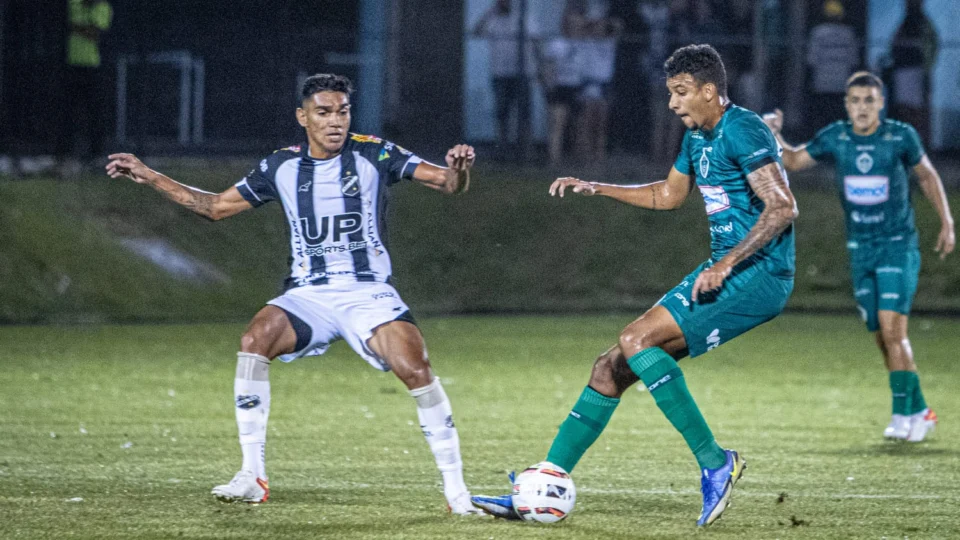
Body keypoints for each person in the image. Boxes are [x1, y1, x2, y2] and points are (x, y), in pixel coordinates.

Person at [105, 74, 483, 514]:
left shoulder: (375, 152)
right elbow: (215, 208)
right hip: (309, 295)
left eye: (342, 111)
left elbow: (447, 184)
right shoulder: (279, 166)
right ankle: (252, 474)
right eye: (324, 112)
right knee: (254, 340)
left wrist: (458, 168)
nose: (336, 121)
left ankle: (457, 492)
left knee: (415, 368)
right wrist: (149, 176)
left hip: (367, 292)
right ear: (303, 117)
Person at [473, 44, 798, 527]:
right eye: (670, 93)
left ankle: (716, 463)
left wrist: (727, 264)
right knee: (610, 367)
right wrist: (599, 186)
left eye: (681, 93)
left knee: (636, 339)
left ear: (710, 91)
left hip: (759, 275)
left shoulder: (743, 129)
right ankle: (542, 485)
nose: (673, 104)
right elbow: (669, 195)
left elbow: (783, 207)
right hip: (725, 269)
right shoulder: (696, 139)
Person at [763, 71, 954, 442]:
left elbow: (927, 176)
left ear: (881, 103)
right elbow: (794, 160)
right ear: (847, 104)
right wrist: (773, 133)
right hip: (860, 249)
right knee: (882, 338)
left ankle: (902, 417)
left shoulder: (900, 136)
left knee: (893, 329)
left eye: (869, 100)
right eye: (855, 100)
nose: (862, 107)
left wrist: (946, 221)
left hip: (897, 245)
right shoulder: (837, 136)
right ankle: (919, 409)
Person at [62, 0, 113, 174]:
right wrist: (83, 27)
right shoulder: (74, 3)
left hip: (93, 67)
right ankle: (67, 154)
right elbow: (71, 24)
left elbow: (94, 33)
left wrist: (78, 27)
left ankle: (95, 157)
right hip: (71, 65)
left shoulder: (102, 6)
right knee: (69, 112)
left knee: (95, 112)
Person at [472, 0, 527, 144]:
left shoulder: (522, 17)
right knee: (502, 113)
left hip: (521, 73)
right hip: (500, 73)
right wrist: (489, 13)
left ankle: (523, 148)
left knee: (522, 113)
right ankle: (503, 146)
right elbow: (476, 31)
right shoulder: (493, 19)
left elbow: (535, 41)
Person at [805, 0, 860, 139]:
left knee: (822, 117)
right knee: (838, 117)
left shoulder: (818, 33)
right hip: (841, 83)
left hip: (822, 82)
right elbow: (854, 61)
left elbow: (811, 60)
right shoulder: (849, 33)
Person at [539, 3, 585, 166]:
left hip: (577, 86)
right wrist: (549, 86)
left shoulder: (584, 43)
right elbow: (548, 67)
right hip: (560, 86)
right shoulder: (556, 44)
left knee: (578, 126)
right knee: (557, 124)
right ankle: (554, 160)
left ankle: (578, 159)